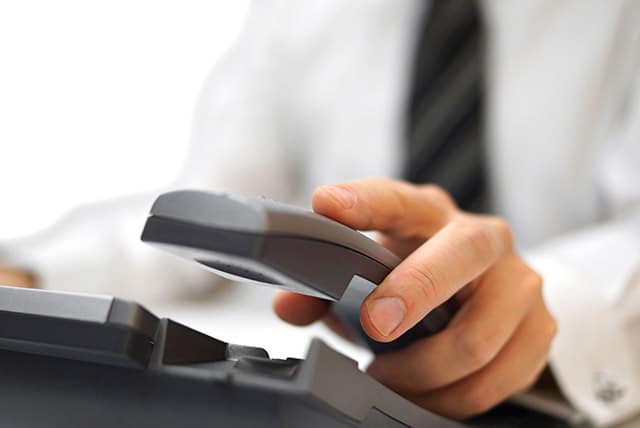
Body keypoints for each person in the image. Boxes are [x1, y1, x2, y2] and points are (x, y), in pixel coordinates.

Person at [1, 0, 639, 425]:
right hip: (341, 362)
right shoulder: (305, 12)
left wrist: (550, 301)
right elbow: (207, 206)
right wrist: (30, 274)